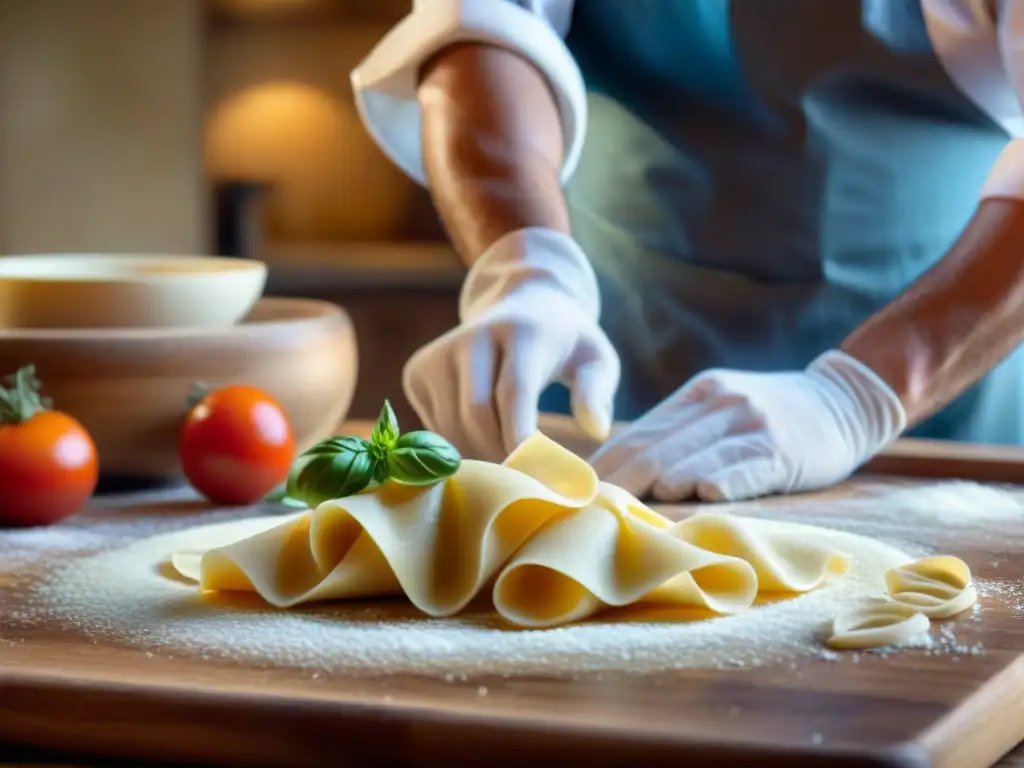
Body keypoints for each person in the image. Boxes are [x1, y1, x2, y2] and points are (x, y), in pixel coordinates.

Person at [351, 0, 1024, 502]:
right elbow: (484, 30)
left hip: (944, 380)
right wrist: (526, 270)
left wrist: (856, 398)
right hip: (620, 359)